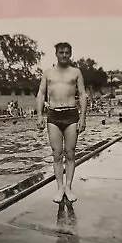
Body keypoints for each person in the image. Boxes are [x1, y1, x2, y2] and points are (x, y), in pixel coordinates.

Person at [36, 42, 87, 203]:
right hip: (53, 115)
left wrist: (83, 116)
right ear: (56, 53)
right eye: (61, 52)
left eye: (67, 52)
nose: (64, 55)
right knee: (57, 154)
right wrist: (39, 115)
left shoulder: (76, 72)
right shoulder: (48, 73)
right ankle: (59, 187)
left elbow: (83, 94)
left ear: (70, 54)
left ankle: (69, 187)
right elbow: (41, 93)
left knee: (70, 153)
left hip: (71, 114)